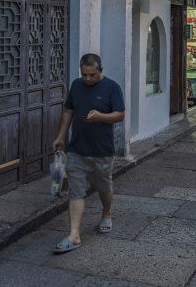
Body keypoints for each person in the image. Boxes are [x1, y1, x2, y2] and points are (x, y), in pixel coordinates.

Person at [52, 53, 125, 253]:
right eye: (84, 75)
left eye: (92, 75)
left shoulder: (112, 88)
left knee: (104, 187)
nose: (88, 79)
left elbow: (119, 115)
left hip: (101, 151)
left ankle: (107, 213)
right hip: (77, 149)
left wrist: (100, 116)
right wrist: (60, 136)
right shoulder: (76, 85)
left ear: (100, 71)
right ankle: (74, 234)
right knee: (76, 191)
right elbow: (68, 111)